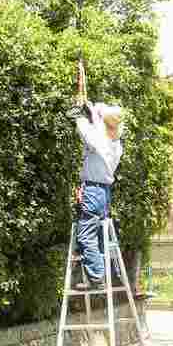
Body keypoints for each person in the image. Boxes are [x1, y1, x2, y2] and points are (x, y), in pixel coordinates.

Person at [74, 102, 123, 290]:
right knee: (100, 237)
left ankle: (96, 278)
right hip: (103, 192)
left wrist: (79, 114)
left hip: (93, 191)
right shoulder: (114, 143)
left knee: (86, 235)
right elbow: (97, 127)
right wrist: (92, 111)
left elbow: (86, 131)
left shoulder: (98, 140)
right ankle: (111, 275)